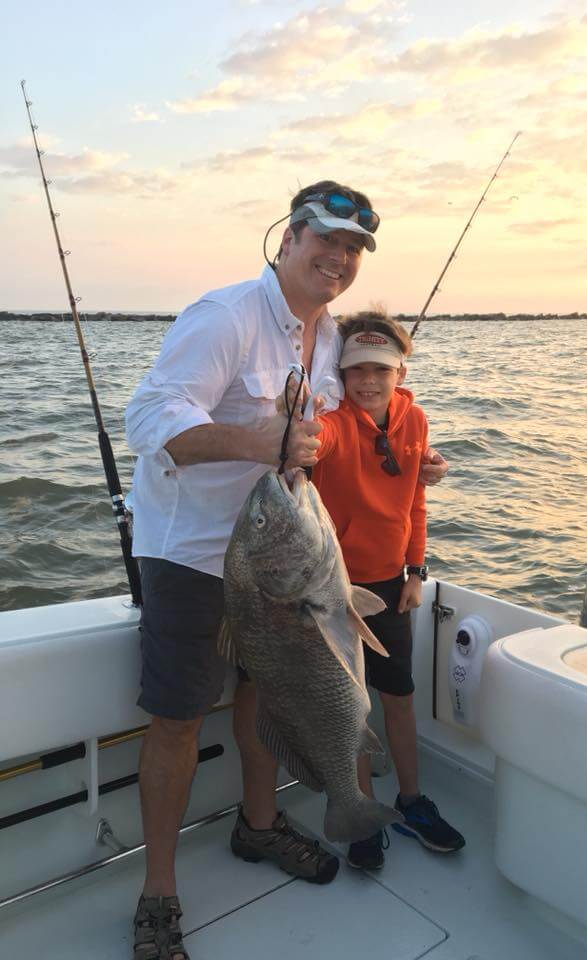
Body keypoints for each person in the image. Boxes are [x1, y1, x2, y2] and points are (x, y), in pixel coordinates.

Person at [124, 182, 448, 960]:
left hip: (279, 558)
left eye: (352, 250)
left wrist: (409, 461)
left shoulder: (328, 335)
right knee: (177, 716)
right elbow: (149, 419)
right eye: (325, 241)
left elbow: (341, 428)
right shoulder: (226, 316)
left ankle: (258, 826)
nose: (338, 258)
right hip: (194, 552)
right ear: (288, 239)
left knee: (264, 692)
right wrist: (256, 441)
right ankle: (158, 894)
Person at [311, 311, 465, 870]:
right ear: (341, 373)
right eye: (356, 370)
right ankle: (360, 808)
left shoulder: (416, 420)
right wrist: (296, 425)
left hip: (391, 584)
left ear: (400, 372)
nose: (368, 381)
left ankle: (411, 799)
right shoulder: (331, 421)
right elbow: (315, 440)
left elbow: (415, 502)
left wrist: (417, 572)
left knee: (398, 697)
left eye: (380, 369)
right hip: (334, 591)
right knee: (350, 706)